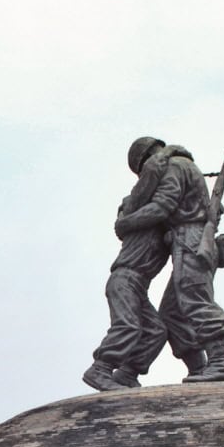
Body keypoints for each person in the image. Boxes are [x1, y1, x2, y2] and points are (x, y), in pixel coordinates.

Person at [114, 138, 224, 382]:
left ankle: (221, 362)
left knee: (194, 299)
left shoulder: (174, 166)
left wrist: (125, 224)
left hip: (191, 239)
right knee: (172, 313)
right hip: (188, 240)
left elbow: (162, 206)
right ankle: (199, 369)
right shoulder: (185, 166)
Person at [83, 137, 173, 391]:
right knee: (129, 326)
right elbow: (158, 205)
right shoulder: (134, 208)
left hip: (137, 285)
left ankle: (127, 373)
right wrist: (172, 153)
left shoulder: (159, 223)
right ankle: (100, 368)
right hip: (124, 279)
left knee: (156, 331)